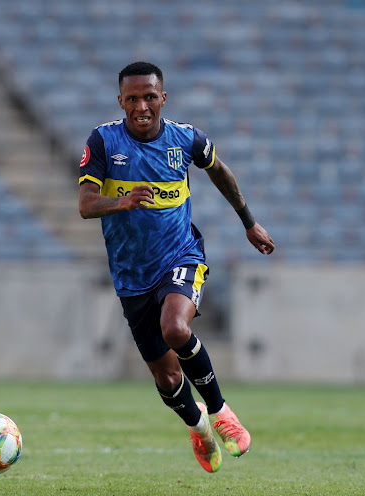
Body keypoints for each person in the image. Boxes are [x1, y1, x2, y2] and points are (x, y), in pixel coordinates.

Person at [78, 61, 275, 473]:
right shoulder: (102, 141)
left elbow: (219, 172)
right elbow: (85, 205)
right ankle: (200, 428)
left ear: (162, 98)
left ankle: (221, 412)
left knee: (176, 329)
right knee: (167, 379)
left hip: (180, 255)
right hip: (131, 275)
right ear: (121, 101)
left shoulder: (186, 139)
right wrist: (122, 201)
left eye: (150, 97)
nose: (142, 106)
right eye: (132, 98)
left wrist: (249, 222)